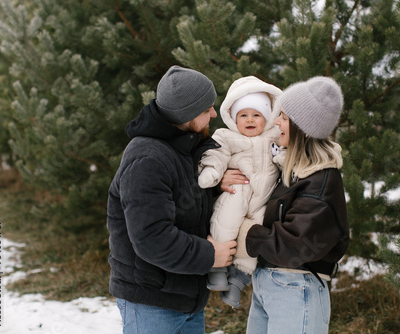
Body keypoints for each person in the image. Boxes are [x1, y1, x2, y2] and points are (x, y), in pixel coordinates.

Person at [106, 65, 238, 334]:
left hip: (185, 298)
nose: (214, 113)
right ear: (185, 114)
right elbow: (152, 238)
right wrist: (209, 255)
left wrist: (213, 189)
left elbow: (179, 202)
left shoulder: (182, 147)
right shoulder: (147, 159)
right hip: (152, 302)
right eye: (206, 109)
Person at [238, 76, 350, 333]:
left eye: (285, 117)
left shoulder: (322, 179)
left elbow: (294, 244)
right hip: (269, 287)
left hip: (297, 289)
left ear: (304, 128)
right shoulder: (291, 170)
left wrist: (246, 236)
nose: (276, 121)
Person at [197, 76, 284, 308]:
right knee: (227, 219)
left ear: (267, 117)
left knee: (253, 236)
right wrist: (213, 173)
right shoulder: (227, 136)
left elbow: (288, 151)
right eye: (243, 115)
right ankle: (217, 269)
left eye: (257, 115)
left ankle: (238, 280)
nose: (250, 120)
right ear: (234, 118)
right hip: (239, 190)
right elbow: (215, 154)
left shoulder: (274, 136)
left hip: (264, 198)